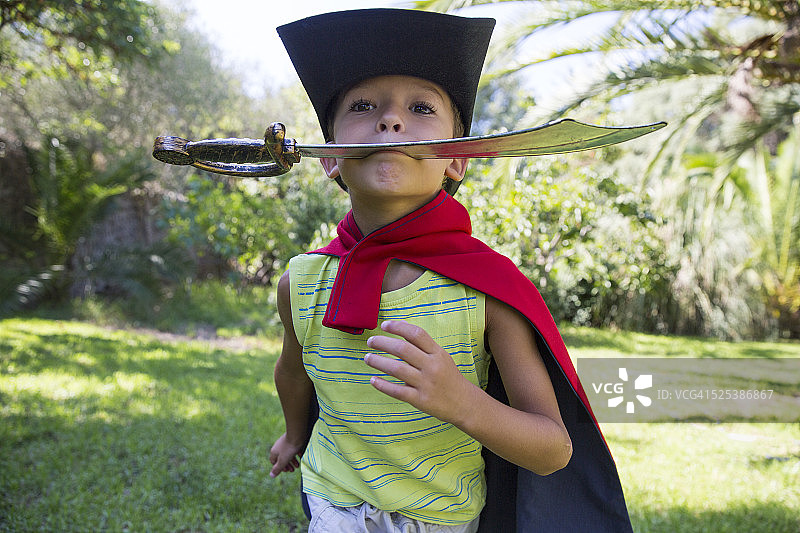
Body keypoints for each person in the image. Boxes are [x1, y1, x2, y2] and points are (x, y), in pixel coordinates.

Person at [268, 9, 633, 533]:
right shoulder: (300, 282)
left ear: (457, 160)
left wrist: (462, 402)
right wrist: (293, 435)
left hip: (443, 517)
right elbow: (292, 370)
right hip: (334, 503)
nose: (390, 122)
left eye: (420, 108)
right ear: (329, 157)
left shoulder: (488, 289)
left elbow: (553, 448)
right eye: (363, 107)